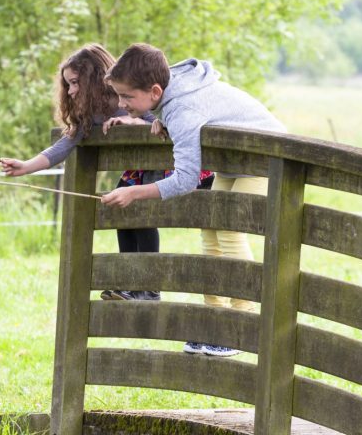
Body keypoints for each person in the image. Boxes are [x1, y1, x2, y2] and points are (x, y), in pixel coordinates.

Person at [101, 43, 286, 357]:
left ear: (155, 90)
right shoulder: (174, 93)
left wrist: (134, 192)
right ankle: (215, 323)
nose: (121, 103)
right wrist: (160, 117)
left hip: (268, 158)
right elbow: (184, 111)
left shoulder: (183, 108)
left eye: (127, 96)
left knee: (229, 230)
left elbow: (186, 178)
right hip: (238, 160)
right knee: (210, 229)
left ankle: (241, 323)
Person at [0, 43, 162, 301]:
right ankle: (131, 285)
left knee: (141, 218)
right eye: (68, 86)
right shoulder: (92, 112)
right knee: (123, 217)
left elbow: (161, 119)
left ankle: (149, 288)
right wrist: (26, 165)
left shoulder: (129, 95)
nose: (72, 91)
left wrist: (135, 122)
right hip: (138, 171)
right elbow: (64, 144)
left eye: (75, 83)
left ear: (94, 78)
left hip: (164, 168)